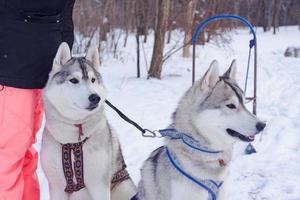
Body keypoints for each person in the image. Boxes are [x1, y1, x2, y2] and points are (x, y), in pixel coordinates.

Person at [0, 0, 75, 199]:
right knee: (9, 156)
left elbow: (65, 18)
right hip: (13, 72)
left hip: (43, 73)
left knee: (23, 152)